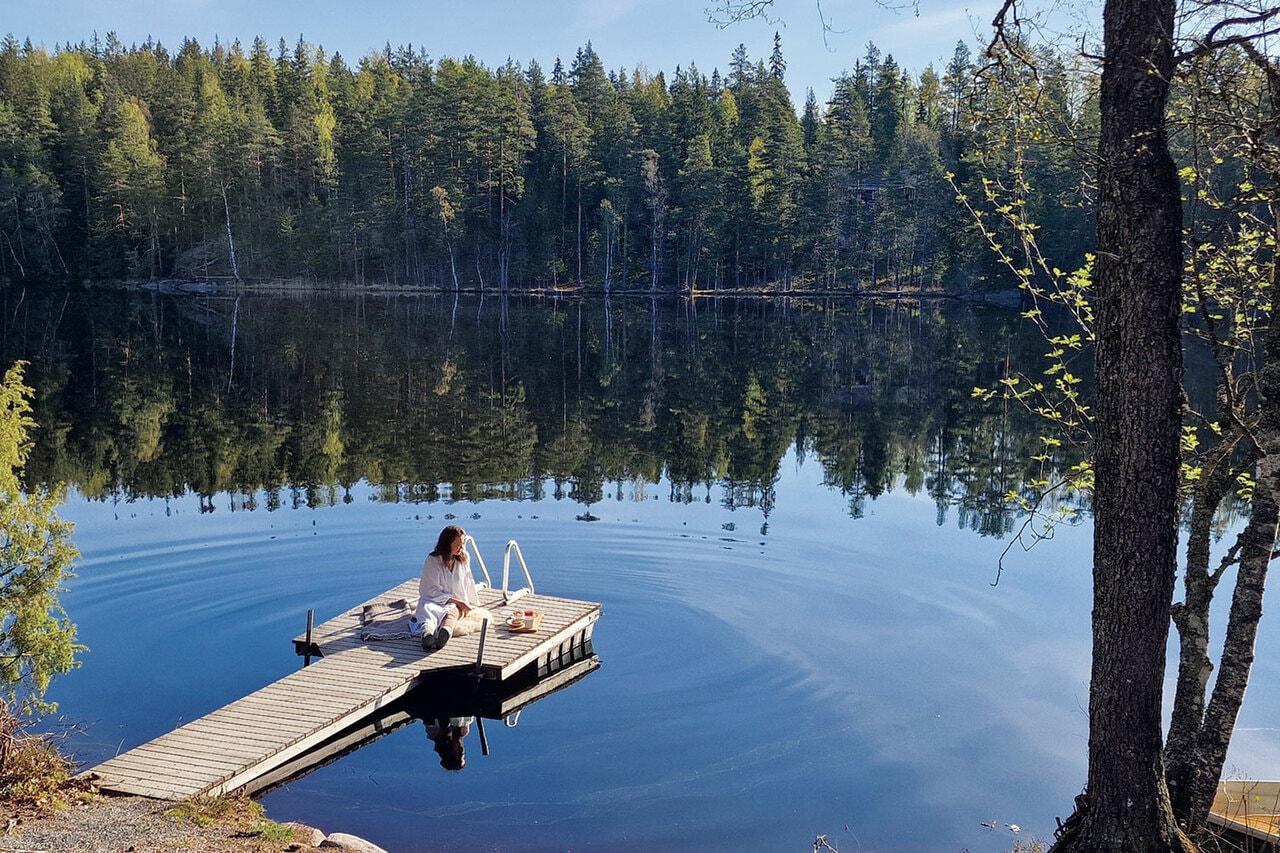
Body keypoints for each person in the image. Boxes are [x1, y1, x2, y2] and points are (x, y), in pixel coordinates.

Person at [414, 525, 479, 652]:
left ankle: (445, 633)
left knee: (453, 612)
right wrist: (455, 601)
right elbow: (428, 590)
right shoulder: (433, 560)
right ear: (447, 544)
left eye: (462, 544)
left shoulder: (463, 558)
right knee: (428, 610)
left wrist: (470, 602)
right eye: (457, 545)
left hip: (454, 603)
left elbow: (468, 580)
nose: (461, 548)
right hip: (433, 599)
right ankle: (427, 634)